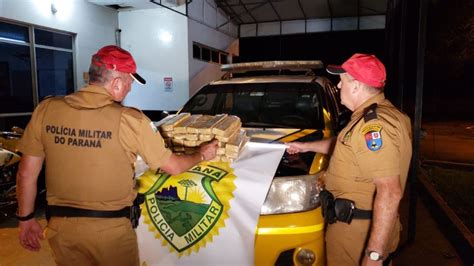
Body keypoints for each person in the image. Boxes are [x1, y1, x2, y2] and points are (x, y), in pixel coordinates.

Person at [15, 45, 218, 265]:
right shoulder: (130, 120)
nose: (130, 89)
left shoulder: (46, 110)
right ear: (117, 82)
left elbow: (26, 174)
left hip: (60, 230)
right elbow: (174, 167)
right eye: (130, 82)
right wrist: (201, 154)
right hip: (110, 234)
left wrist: (25, 219)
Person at [287, 53, 412, 265]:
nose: (337, 86)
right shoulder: (384, 115)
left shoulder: (373, 126)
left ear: (355, 86)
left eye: (341, 80)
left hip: (358, 234)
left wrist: (373, 255)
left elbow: (390, 192)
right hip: (360, 226)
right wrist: (304, 146)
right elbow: (346, 146)